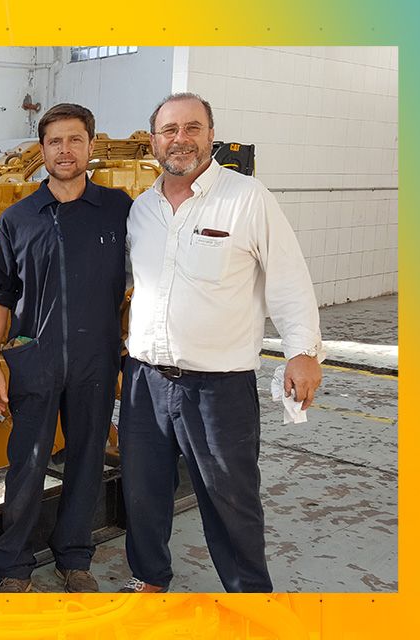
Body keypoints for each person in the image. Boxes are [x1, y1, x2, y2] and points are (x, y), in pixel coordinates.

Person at [119, 93, 324, 593]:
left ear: (211, 135)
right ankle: (149, 579)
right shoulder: (141, 210)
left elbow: (289, 278)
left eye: (192, 128)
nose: (180, 139)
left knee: (229, 497)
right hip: (145, 380)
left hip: (218, 387)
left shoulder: (247, 198)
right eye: (169, 130)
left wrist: (302, 351)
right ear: (153, 141)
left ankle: (249, 596)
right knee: (143, 492)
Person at [0, 103, 132, 593]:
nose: (65, 150)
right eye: (54, 142)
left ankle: (75, 559)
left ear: (91, 145)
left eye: (74, 140)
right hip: (35, 360)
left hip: (96, 359)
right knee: (26, 465)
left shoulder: (119, 209)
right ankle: (14, 566)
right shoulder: (18, 218)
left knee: (87, 462)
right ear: (41, 150)